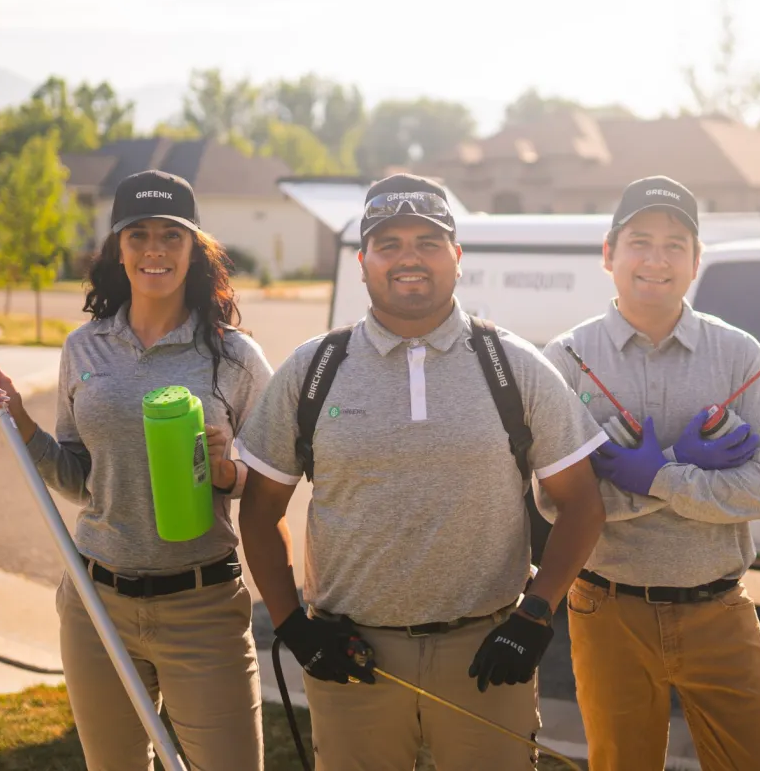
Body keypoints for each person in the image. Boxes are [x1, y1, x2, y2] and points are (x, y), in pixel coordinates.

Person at [234, 172, 607, 771]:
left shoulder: (512, 365)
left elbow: (582, 503)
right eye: (390, 244)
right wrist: (293, 625)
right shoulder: (314, 368)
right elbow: (260, 510)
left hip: (485, 651)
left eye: (428, 243)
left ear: (457, 258)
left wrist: (535, 615)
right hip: (353, 656)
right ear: (363, 262)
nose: (409, 259)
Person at [0, 170, 272, 771]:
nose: (154, 249)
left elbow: (272, 483)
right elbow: (81, 478)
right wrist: (19, 421)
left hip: (202, 606)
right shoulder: (84, 348)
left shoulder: (235, 357)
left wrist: (229, 472)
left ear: (195, 250)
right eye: (138, 235)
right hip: (94, 605)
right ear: (118, 250)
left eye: (170, 236)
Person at [542, 175, 760, 771]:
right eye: (640, 241)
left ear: (696, 260)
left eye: (675, 244)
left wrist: (660, 476)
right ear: (609, 253)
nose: (656, 259)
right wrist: (686, 474)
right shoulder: (567, 361)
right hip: (608, 612)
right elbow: (556, 505)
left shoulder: (739, 354)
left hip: (720, 609)